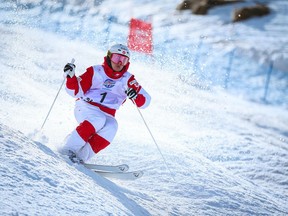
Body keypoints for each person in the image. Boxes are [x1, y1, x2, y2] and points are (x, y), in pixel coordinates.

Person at [61, 44, 151, 163]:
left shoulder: (128, 79)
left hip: (108, 114)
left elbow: (146, 101)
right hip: (86, 107)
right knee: (98, 119)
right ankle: (68, 149)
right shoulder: (96, 71)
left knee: (112, 127)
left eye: (124, 60)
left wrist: (136, 97)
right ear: (109, 57)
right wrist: (71, 77)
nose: (119, 63)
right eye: (116, 58)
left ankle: (81, 157)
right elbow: (75, 91)